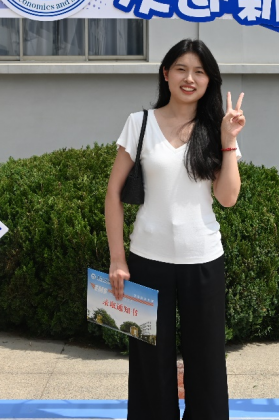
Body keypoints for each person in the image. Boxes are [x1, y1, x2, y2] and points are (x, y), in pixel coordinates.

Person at [105, 39, 245, 420]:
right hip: (147, 260)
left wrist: (229, 141)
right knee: (148, 364)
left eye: (199, 71)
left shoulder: (216, 129)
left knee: (208, 363)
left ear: (209, 80)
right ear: (165, 74)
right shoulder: (139, 123)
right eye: (181, 69)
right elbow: (113, 193)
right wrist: (117, 259)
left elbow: (228, 197)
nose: (189, 78)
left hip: (204, 260)